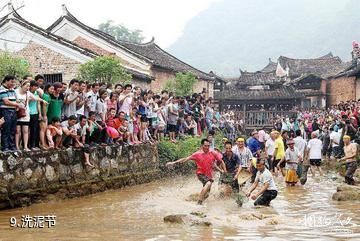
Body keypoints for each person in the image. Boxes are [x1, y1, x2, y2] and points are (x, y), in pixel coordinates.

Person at [166, 139, 226, 205]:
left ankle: (191, 198)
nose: (207, 147)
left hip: (208, 175)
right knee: (208, 183)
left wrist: (222, 170)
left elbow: (220, 161)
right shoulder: (197, 154)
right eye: (205, 146)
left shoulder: (213, 153)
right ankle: (199, 203)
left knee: (207, 195)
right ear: (202, 145)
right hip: (200, 173)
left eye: (208, 146)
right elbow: (185, 159)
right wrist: (173, 162)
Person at [0, 75, 24, 151]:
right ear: (6, 81)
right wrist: (17, 104)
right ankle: (5, 147)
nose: (13, 83)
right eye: (11, 82)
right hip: (5, 111)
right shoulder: (2, 89)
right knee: (6, 129)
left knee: (12, 129)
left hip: (13, 111)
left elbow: (16, 100)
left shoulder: (13, 90)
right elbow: (6, 101)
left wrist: (19, 104)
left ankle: (11, 146)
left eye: (14, 82)